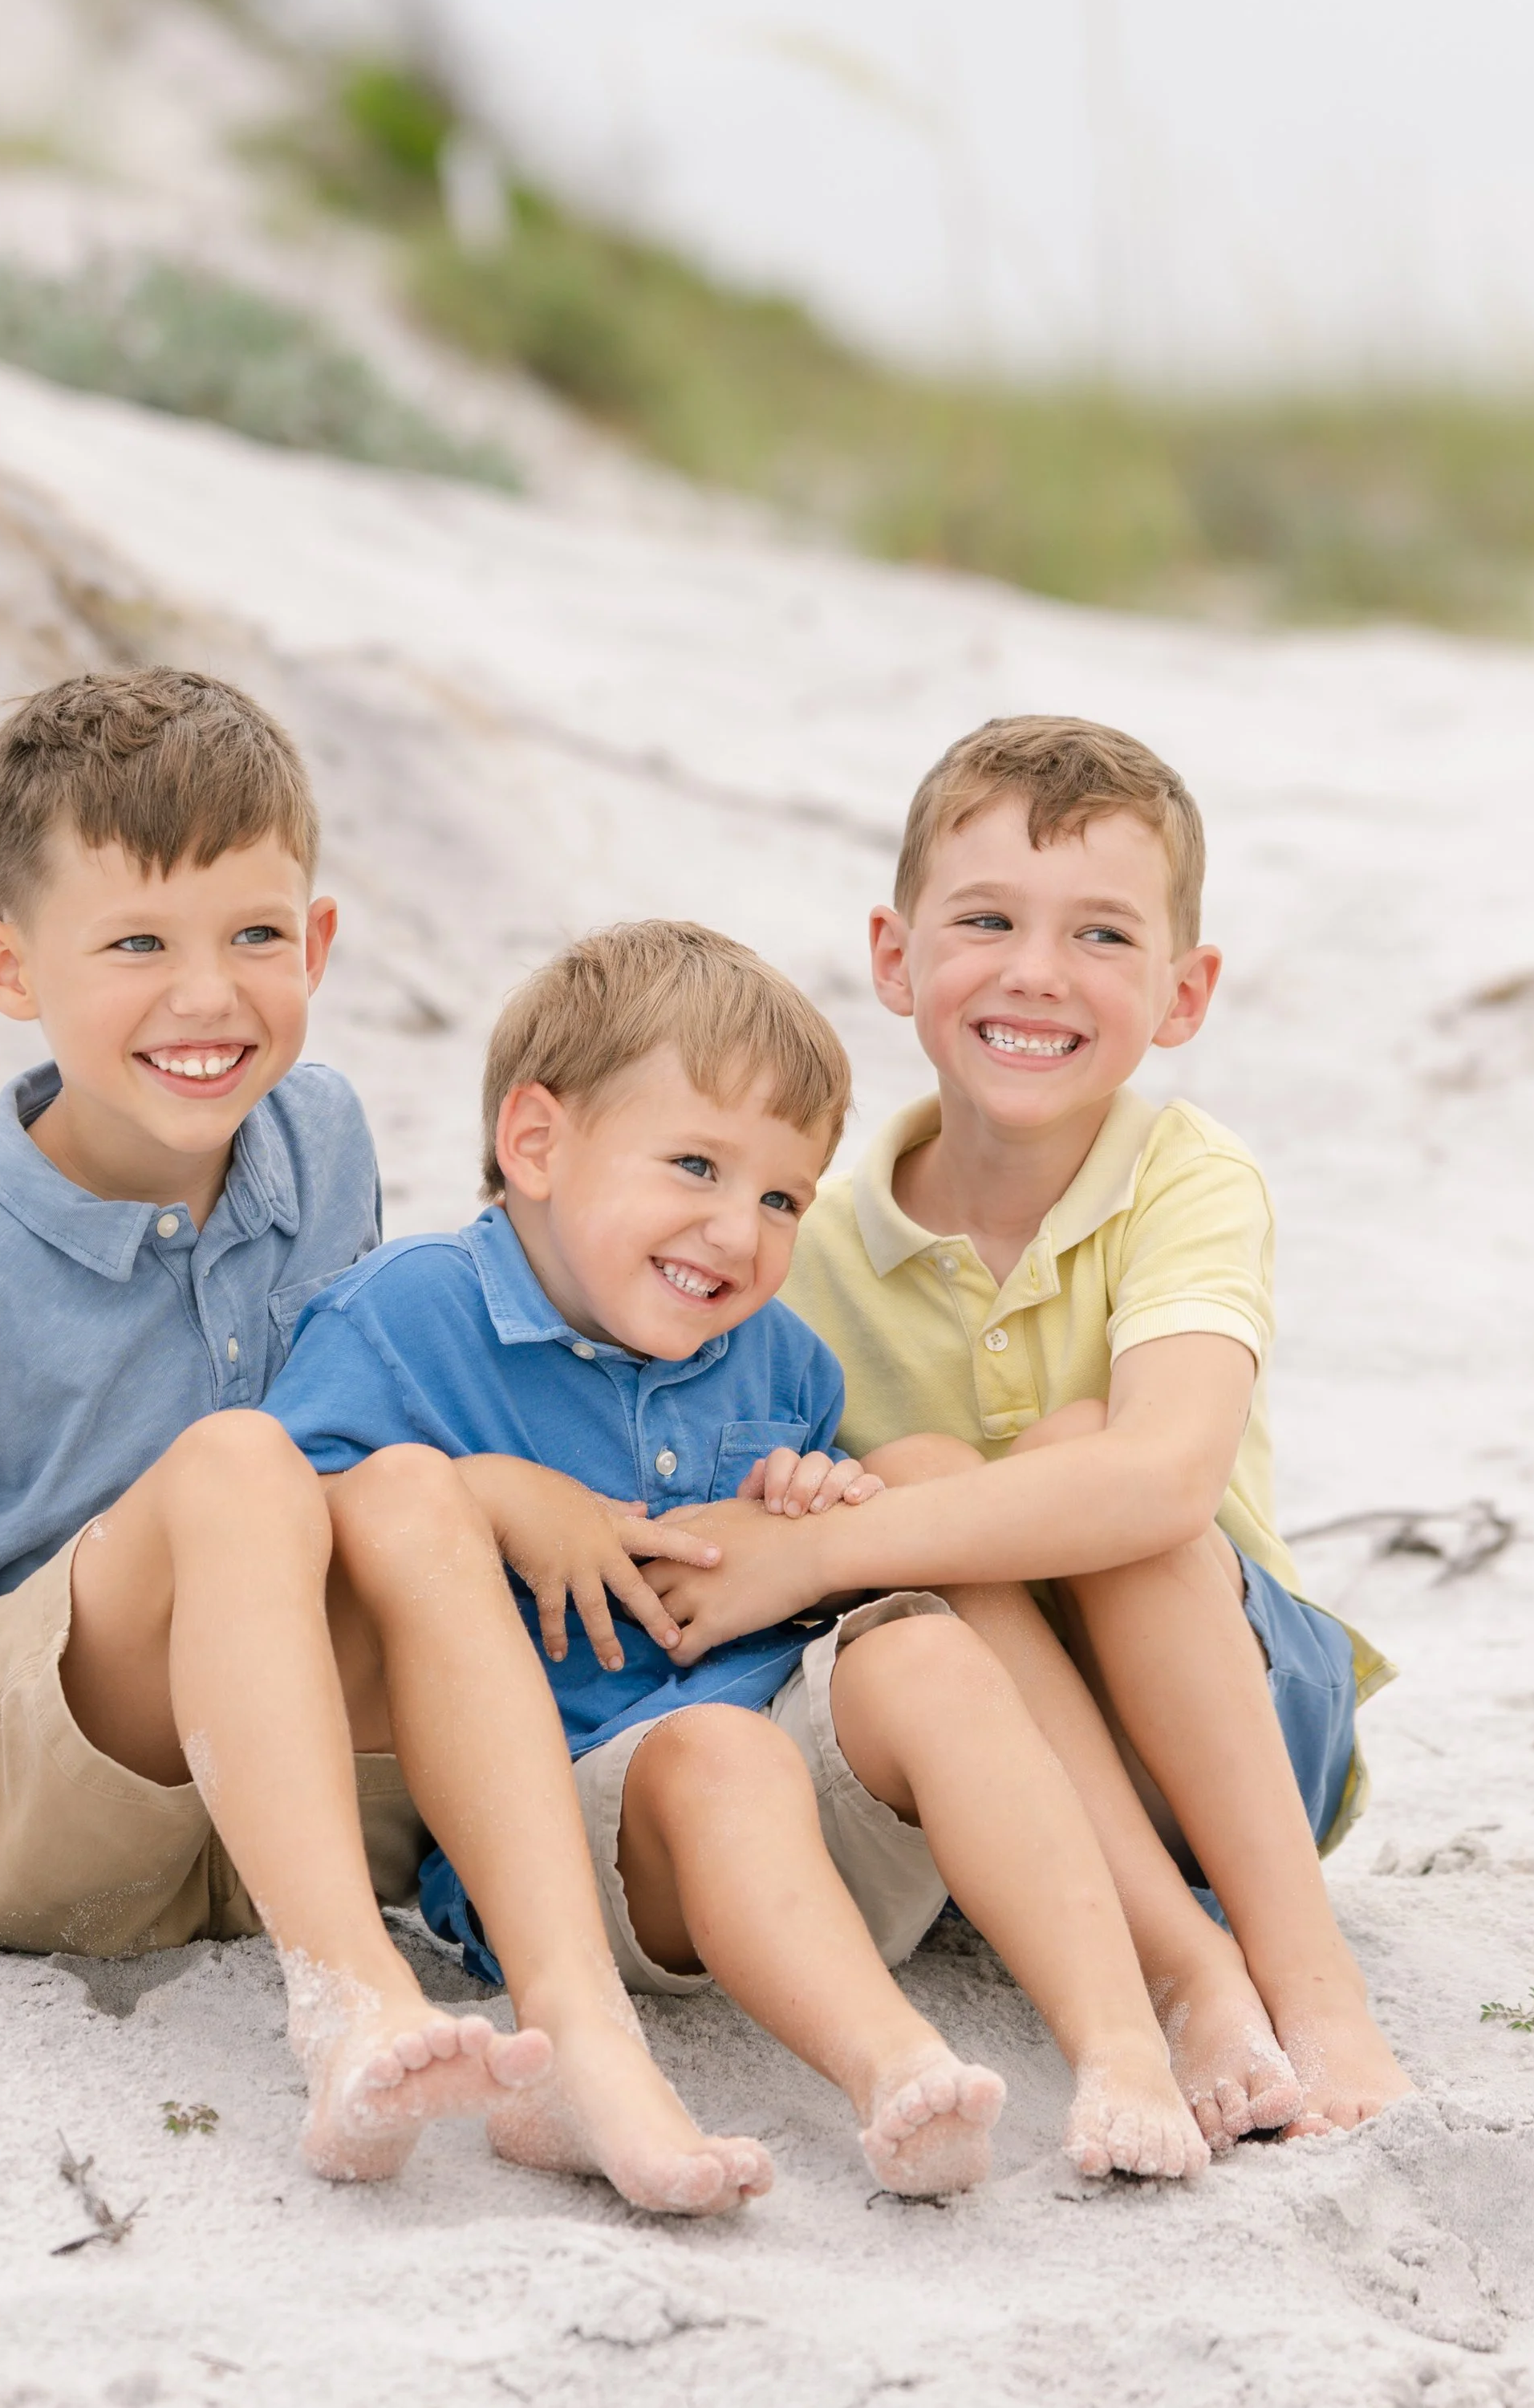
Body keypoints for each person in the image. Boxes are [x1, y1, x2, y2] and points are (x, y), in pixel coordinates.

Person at [0, 668, 772, 2213]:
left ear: (319, 941)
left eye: (254, 936)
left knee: (403, 1484)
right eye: (135, 945)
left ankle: (578, 2025)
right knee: (248, 1462)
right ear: (3, 964)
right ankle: (352, 1995)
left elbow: (393, 1411)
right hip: (14, 1796)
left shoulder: (326, 1140)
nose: (206, 996)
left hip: (255, 1793)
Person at [265, 920, 1209, 2195]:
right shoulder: (408, 1315)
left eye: (779, 1198)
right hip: (597, 1841)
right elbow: (298, 1542)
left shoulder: (780, 1359)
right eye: (694, 1166)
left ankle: (1121, 2046)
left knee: (927, 1649)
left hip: (813, 1822)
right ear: (536, 1144)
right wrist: (495, 1493)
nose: (735, 1231)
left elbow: (804, 1589)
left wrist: (817, 1501)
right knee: (718, 1755)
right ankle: (893, 2065)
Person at [655, 715, 1413, 2145]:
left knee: (1086, 1464)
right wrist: (819, 1511)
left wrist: (835, 1544)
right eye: (987, 918)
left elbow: (1164, 1478)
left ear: (1185, 992)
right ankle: (1191, 1980)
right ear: (896, 956)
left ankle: (1314, 1987)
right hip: (1005, 1791)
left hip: (1239, 1732)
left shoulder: (1186, 1174)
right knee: (931, 1475)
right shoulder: (800, 1238)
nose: (1036, 973)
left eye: (1104, 937)